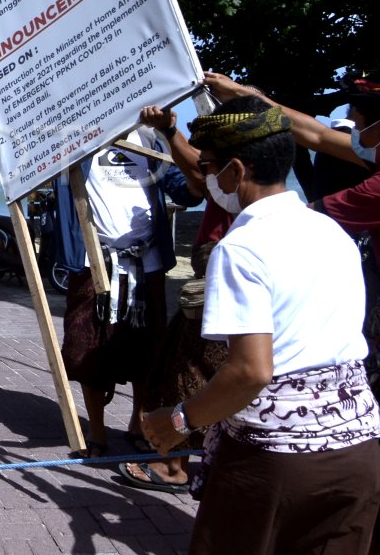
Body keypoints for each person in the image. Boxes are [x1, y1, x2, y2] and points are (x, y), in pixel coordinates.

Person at [142, 97, 380, 554]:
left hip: (275, 460)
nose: (206, 176)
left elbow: (251, 371)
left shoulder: (242, 247)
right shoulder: (332, 230)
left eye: (208, 165)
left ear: (235, 170)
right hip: (357, 448)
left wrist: (176, 422)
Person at [204, 71, 380, 551]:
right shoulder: (357, 215)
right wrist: (255, 100)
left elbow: (250, 371)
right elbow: (318, 135)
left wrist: (177, 421)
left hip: (290, 444)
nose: (351, 138)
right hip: (355, 438)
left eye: (357, 126)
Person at [0, 92, 200, 458]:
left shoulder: (151, 137)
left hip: (148, 265)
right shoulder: (70, 139)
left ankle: (138, 425)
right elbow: (19, 159)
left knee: (148, 350)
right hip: (92, 262)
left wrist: (172, 131)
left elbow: (189, 192)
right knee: (86, 350)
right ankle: (96, 434)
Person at [117, 105, 231, 494]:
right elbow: (192, 186)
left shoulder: (230, 178)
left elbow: (195, 184)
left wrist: (167, 131)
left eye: (210, 155)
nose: (204, 159)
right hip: (209, 271)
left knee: (187, 371)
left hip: (219, 277)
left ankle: (174, 464)